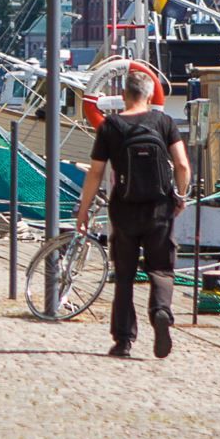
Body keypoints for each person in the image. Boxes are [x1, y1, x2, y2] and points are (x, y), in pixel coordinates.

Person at [72, 68, 193, 359]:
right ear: (150, 95)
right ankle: (161, 311)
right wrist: (179, 195)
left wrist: (83, 210)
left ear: (124, 95)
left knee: (124, 276)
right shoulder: (163, 121)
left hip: (124, 210)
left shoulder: (110, 126)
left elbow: (96, 173)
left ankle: (123, 341)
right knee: (162, 269)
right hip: (159, 209)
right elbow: (182, 166)